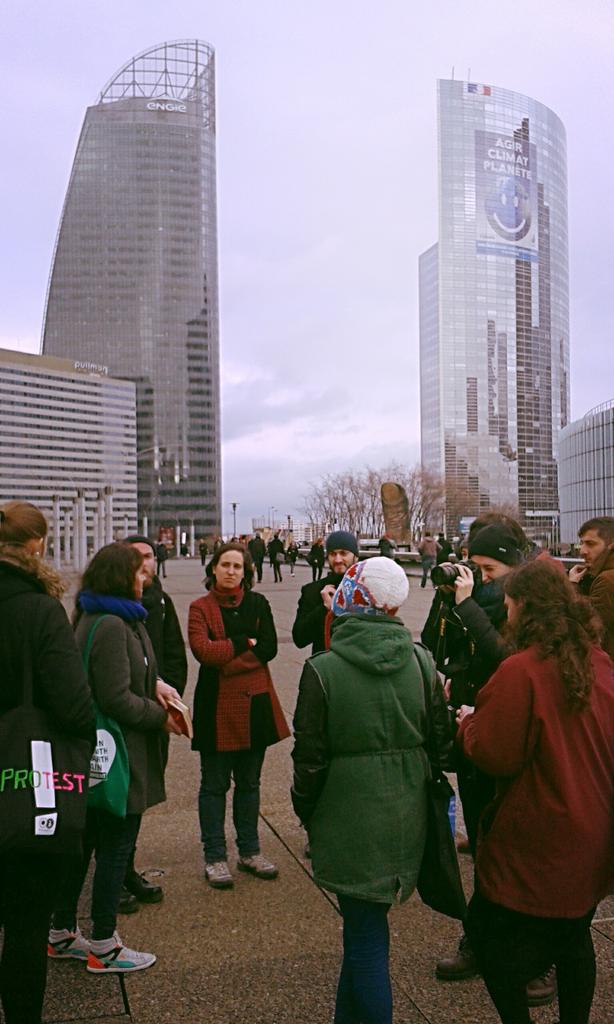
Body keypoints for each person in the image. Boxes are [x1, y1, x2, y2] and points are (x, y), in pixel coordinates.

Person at [292, 557, 452, 1024]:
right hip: (406, 811)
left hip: (347, 814)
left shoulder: (323, 670)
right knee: (364, 932)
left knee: (364, 940)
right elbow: (442, 746)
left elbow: (309, 758)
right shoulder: (422, 661)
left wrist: (308, 811)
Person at [458, 560, 614, 1024]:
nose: (505, 614)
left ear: (523, 606)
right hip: (595, 826)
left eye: (507, 604)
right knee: (571, 936)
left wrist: (467, 725)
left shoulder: (519, 670)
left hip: (541, 832)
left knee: (489, 944)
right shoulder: (599, 661)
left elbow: (494, 754)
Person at [49, 543, 181, 973]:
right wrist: (160, 717)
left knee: (87, 845)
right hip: (120, 757)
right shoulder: (110, 624)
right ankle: (103, 942)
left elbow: (126, 676)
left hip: (105, 755)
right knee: (115, 848)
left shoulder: (110, 616)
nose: (146, 578)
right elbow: (116, 698)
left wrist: (156, 682)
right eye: (138, 572)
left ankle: (62, 931)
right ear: (118, 577)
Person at [0, 502, 95, 1024]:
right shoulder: (38, 609)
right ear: (36, 545)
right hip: (23, 780)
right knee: (25, 924)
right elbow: (74, 705)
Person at [188, 543, 290, 889]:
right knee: (214, 785)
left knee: (249, 783)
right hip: (214, 706)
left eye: (238, 566)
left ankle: (250, 851)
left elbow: (269, 647)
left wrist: (228, 662)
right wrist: (242, 643)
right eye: (225, 565)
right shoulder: (199, 607)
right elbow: (203, 651)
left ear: (246, 571)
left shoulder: (258, 603)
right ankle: (214, 856)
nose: (231, 571)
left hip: (254, 704)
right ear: (214, 568)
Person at [119, 535, 188, 911]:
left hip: (158, 715)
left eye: (149, 556)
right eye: (136, 557)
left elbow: (175, 652)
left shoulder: (160, 600)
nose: (145, 563)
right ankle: (112, 875)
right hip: (129, 715)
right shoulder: (112, 607)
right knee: (120, 797)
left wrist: (173, 698)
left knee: (141, 797)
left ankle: (124, 868)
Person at [292, 531, 360, 654]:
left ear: (356, 556)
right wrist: (324, 609)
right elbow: (299, 639)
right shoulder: (312, 591)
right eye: (333, 554)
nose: (338, 559)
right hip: (326, 669)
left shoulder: (367, 589)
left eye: (344, 553)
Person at [569, 516, 614, 659]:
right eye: (581, 543)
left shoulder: (606, 581)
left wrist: (572, 586)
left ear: (611, 546)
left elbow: (587, 626)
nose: (582, 551)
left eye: (590, 544)